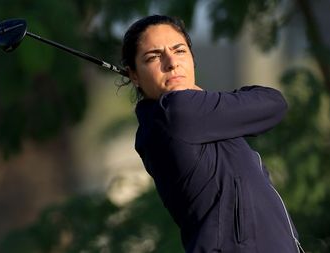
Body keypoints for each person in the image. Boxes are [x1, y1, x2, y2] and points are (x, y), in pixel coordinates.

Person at [120, 14, 305, 253]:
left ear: (192, 59)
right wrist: (198, 95)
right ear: (133, 74)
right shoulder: (177, 112)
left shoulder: (180, 117)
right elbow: (274, 103)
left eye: (179, 51)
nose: (171, 63)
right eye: (153, 57)